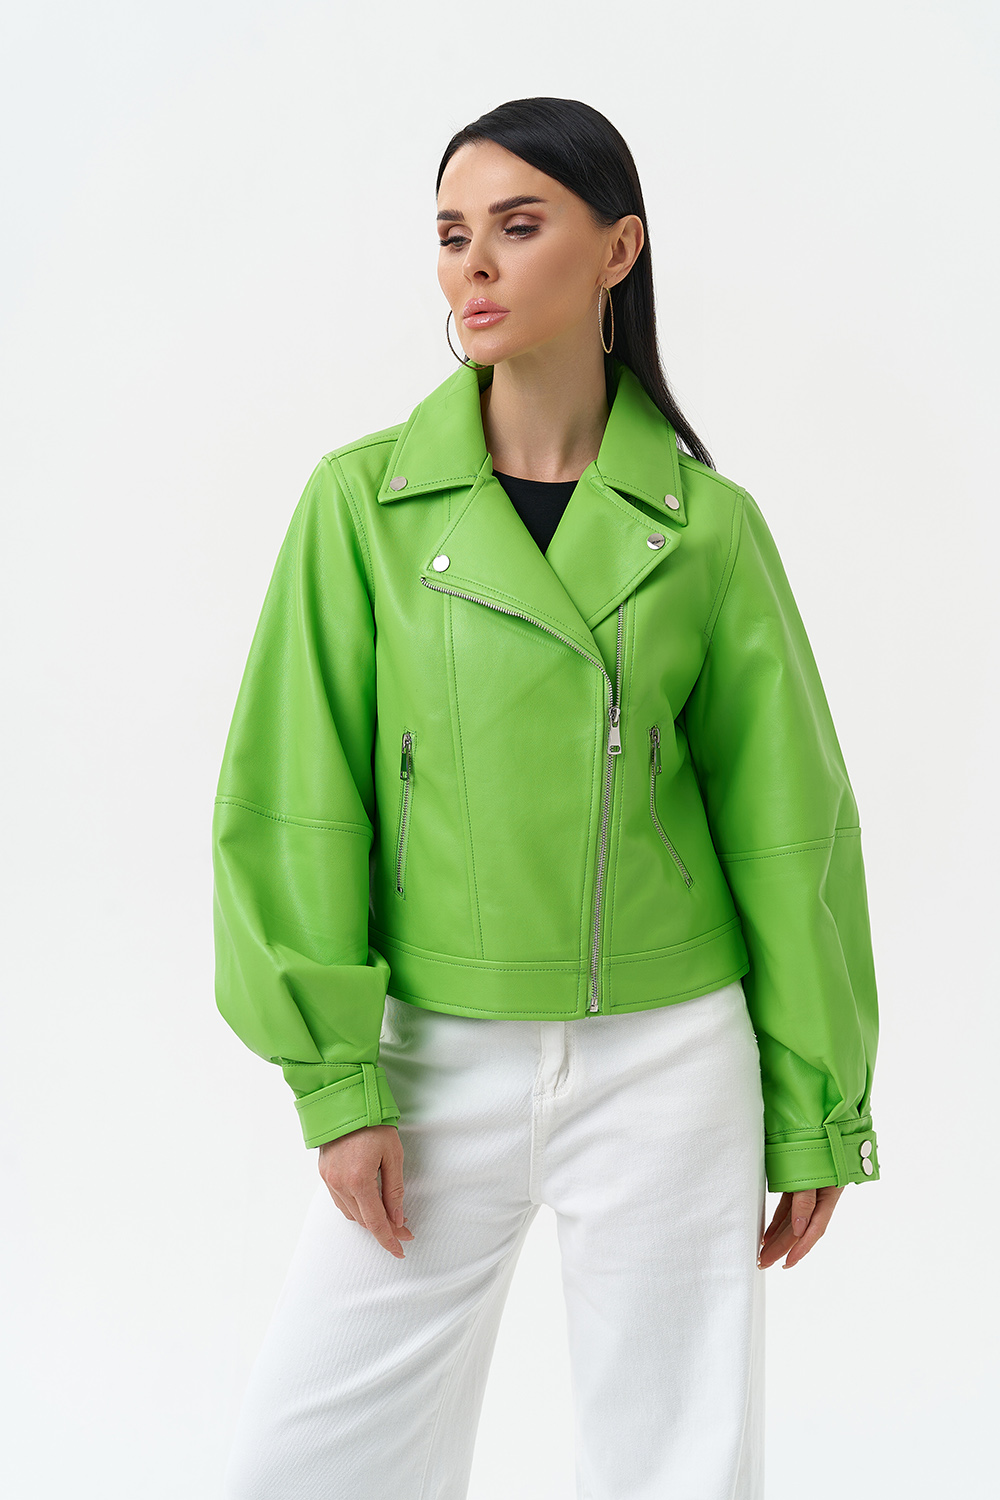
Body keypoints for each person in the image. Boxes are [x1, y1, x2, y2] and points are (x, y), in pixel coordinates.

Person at [213, 96, 881, 1500]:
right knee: (305, 1456)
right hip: (430, 1051)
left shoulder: (709, 529)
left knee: (677, 1465)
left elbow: (791, 829)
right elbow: (294, 798)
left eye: (518, 227)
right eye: (453, 233)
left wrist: (816, 1103)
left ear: (617, 250)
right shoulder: (361, 507)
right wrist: (338, 1078)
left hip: (671, 1058)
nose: (474, 265)